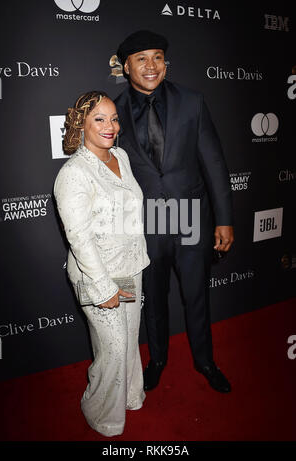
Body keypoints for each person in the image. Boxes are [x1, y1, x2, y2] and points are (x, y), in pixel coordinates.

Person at [114, 30, 234, 393]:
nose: (151, 66)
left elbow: (214, 162)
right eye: (141, 59)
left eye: (158, 57)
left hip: (190, 216)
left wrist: (225, 219)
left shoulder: (192, 101)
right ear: (125, 67)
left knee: (197, 293)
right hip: (146, 222)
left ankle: (205, 361)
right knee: (153, 296)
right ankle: (159, 359)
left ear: (165, 63)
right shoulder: (112, 112)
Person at [54, 91, 150, 437]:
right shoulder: (73, 174)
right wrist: (104, 286)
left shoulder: (120, 155)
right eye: (100, 119)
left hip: (131, 264)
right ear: (82, 124)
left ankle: (129, 395)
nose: (110, 127)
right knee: (112, 347)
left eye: (114, 118)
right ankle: (100, 412)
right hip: (99, 274)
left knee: (128, 339)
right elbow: (79, 238)